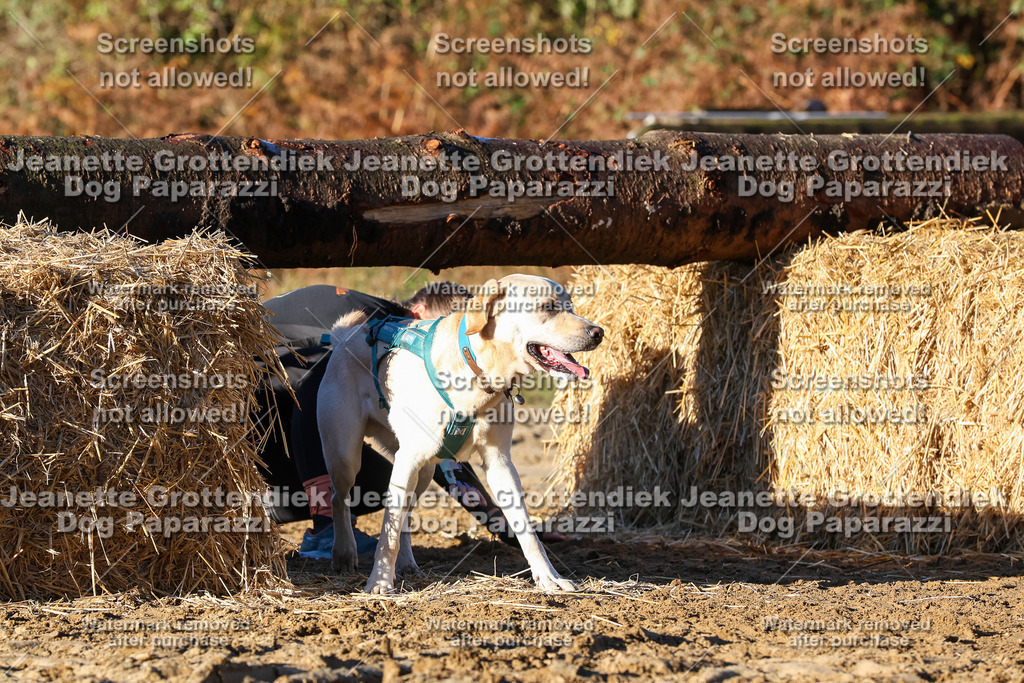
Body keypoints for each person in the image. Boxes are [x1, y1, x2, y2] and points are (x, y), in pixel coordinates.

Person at [254, 282, 523, 560]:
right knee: (321, 397)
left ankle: (253, 510)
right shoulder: (380, 328)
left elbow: (435, 443)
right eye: (445, 334)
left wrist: (503, 525)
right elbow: (309, 398)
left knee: (378, 483)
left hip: (276, 418)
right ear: (418, 313)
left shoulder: (391, 333)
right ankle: (326, 530)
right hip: (249, 400)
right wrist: (328, 522)